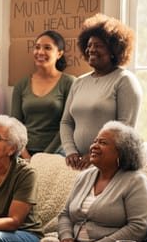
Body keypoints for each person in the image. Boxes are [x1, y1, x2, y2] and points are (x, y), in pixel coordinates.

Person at [60, 14, 142, 170]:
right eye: (89, 45)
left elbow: (124, 130)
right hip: (77, 163)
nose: (91, 49)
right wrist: (70, 151)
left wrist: (95, 156)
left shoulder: (125, 80)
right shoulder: (79, 82)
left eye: (98, 45)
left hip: (109, 164)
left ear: (114, 50)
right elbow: (66, 122)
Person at [10, 30, 75, 157]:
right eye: (37, 47)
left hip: (57, 153)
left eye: (47, 48)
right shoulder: (21, 85)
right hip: (23, 152)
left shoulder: (69, 82)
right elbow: (15, 124)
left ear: (59, 53)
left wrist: (43, 157)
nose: (40, 52)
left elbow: (68, 124)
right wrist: (25, 155)